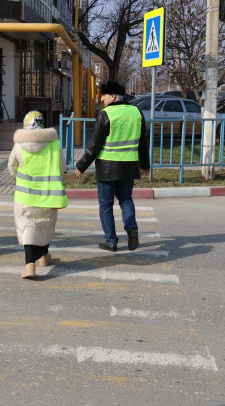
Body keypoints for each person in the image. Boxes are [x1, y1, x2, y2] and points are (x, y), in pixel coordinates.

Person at [75, 80, 150, 252]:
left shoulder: (105, 114)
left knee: (106, 205)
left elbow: (95, 145)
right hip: (130, 166)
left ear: (113, 96)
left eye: (104, 95)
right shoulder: (137, 112)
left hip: (108, 168)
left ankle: (111, 241)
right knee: (126, 200)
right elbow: (143, 143)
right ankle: (132, 230)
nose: (101, 99)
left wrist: (81, 165)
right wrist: (145, 164)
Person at [8, 111, 68, 279]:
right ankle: (43, 257)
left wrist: (20, 179)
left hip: (24, 197)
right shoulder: (54, 144)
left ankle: (30, 265)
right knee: (45, 226)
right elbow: (62, 167)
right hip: (48, 195)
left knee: (27, 229)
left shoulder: (19, 145)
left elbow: (11, 167)